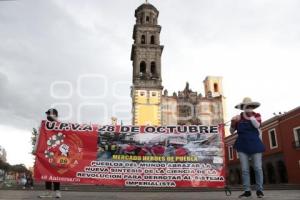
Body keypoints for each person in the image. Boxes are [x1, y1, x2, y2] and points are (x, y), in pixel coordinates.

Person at [230, 97, 265, 198]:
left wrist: (250, 116)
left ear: (252, 107)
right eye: (246, 107)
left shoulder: (257, 115)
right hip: (242, 144)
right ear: (243, 108)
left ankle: (259, 190)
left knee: (258, 168)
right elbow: (232, 131)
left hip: (255, 144)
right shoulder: (238, 118)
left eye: (249, 106)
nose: (248, 108)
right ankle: (247, 191)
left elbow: (257, 126)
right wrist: (233, 122)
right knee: (245, 169)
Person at [38, 108, 62, 198]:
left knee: (55, 172)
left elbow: (64, 127)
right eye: (47, 114)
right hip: (46, 151)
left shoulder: (60, 124)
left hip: (57, 152)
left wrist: (55, 119)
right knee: (46, 171)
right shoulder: (44, 124)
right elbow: (39, 136)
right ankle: (48, 192)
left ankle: (57, 192)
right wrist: (35, 149)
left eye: (50, 114)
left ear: (55, 115)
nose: (48, 116)